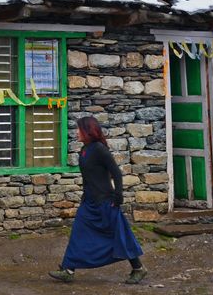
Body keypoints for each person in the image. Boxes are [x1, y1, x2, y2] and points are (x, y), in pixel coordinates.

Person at [48, 115, 147, 284]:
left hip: (106, 201)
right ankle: (68, 269)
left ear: (87, 131)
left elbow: (115, 172)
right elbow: (88, 178)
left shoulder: (100, 149)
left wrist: (118, 196)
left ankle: (138, 268)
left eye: (79, 129)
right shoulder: (84, 150)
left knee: (119, 234)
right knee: (78, 232)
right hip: (89, 202)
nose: (76, 132)